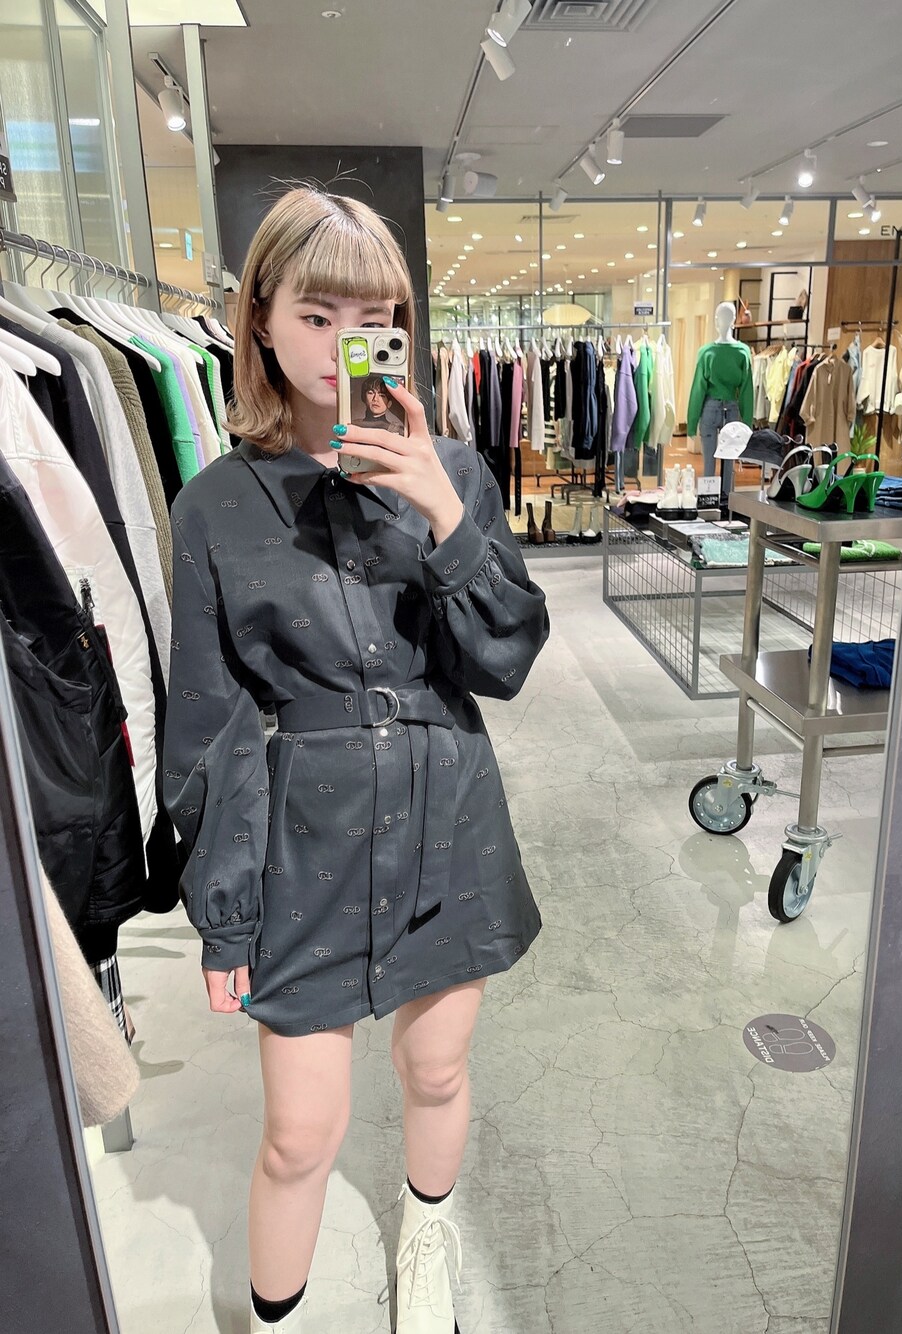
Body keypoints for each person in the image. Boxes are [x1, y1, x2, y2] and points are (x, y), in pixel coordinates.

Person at [163, 186, 549, 1334]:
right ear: (262, 319)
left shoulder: (455, 473)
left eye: (374, 319)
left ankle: (426, 1236)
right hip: (306, 837)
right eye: (317, 315)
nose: (345, 347)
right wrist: (224, 909)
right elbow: (210, 718)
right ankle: (276, 1315)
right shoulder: (215, 505)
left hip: (446, 812)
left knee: (436, 1071)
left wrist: (442, 513)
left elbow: (504, 660)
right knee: (298, 1132)